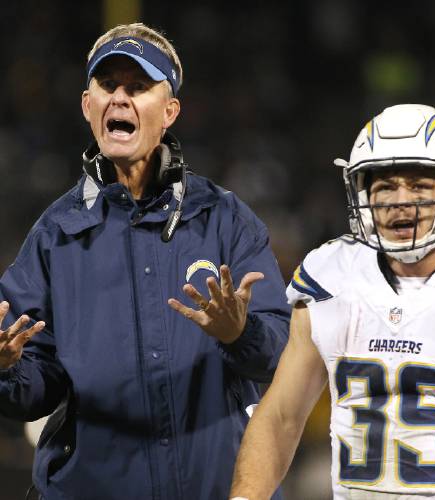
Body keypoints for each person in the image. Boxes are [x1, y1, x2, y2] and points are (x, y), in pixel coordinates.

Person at [0, 23, 290, 500]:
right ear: (87, 106)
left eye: (137, 87)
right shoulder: (54, 234)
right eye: (107, 85)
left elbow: (279, 355)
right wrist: (6, 369)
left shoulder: (224, 220)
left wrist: (241, 333)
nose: (120, 98)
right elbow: (36, 387)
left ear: (170, 111)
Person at [230, 104, 435, 499]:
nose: (400, 201)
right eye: (385, 186)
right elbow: (280, 418)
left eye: (419, 185)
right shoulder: (332, 276)